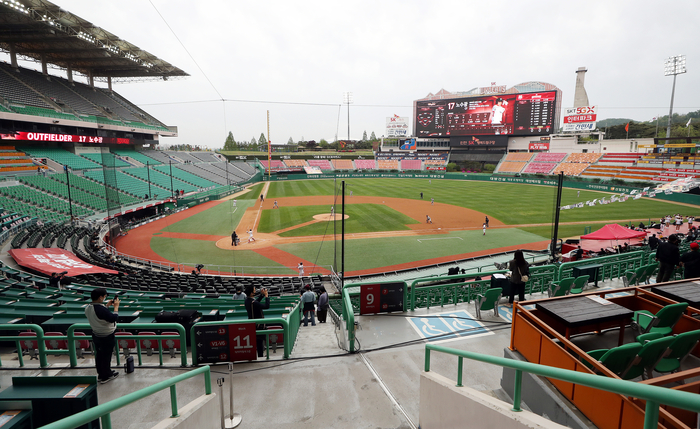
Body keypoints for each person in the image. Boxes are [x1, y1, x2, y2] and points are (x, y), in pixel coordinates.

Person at [85, 288, 120, 383]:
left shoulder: (88, 307)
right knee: (106, 356)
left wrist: (107, 306)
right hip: (106, 336)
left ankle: (101, 374)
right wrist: (116, 307)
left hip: (96, 335)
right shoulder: (100, 309)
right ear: (100, 297)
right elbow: (113, 318)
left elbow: (99, 315)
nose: (105, 298)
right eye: (104, 297)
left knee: (100, 355)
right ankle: (106, 376)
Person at [244, 286, 270, 358]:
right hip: (258, 325)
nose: (256, 291)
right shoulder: (253, 302)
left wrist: (261, 295)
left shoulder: (247, 300)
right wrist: (266, 296)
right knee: (259, 342)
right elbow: (266, 306)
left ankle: (260, 355)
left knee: (258, 342)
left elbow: (256, 302)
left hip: (252, 324)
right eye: (254, 290)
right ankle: (261, 356)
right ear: (252, 293)